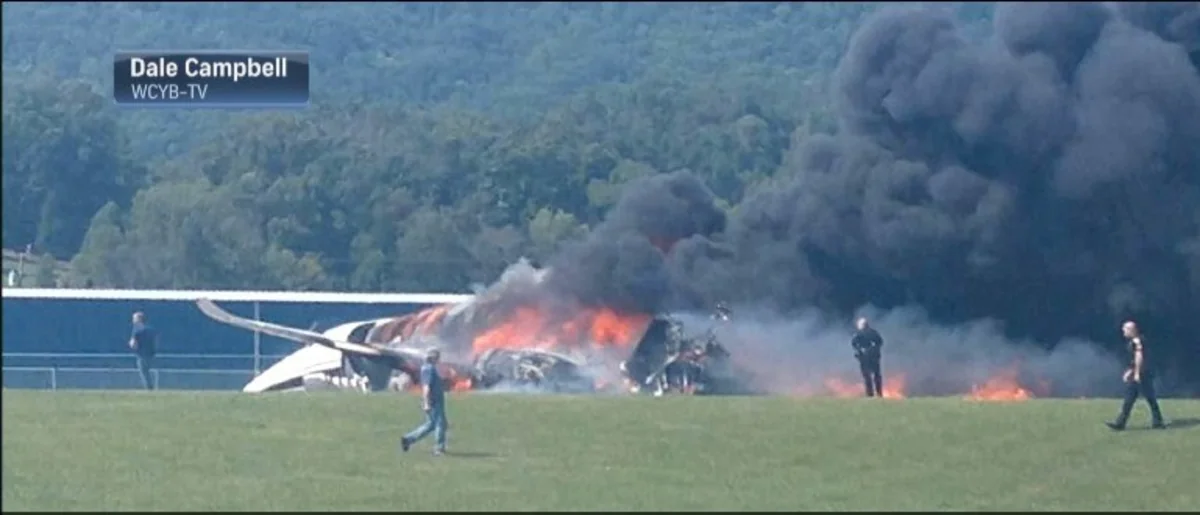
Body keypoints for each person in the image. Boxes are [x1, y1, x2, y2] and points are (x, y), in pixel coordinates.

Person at [1106, 321, 1166, 431]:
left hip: (1142, 375)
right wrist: (1130, 371)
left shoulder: (1137, 341)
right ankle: (1121, 423)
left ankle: (1157, 422)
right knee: (1132, 399)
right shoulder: (1136, 341)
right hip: (1140, 373)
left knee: (1148, 398)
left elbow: (1139, 357)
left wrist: (1137, 373)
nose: (1123, 332)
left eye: (1125, 329)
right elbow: (1134, 359)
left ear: (1131, 330)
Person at [401, 348, 449, 455]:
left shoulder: (428, 368)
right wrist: (426, 402)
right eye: (437, 356)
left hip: (436, 400)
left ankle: (408, 439)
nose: (438, 359)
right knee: (440, 424)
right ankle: (439, 448)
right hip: (434, 401)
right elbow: (426, 387)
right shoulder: (429, 369)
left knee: (431, 425)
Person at [850, 317, 884, 397]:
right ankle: (872, 394)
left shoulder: (871, 333)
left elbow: (879, 342)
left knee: (873, 376)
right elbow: (854, 344)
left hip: (872, 357)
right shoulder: (862, 334)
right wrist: (860, 351)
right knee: (869, 376)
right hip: (866, 358)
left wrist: (871, 349)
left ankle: (876, 393)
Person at [128, 311, 158, 390]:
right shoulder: (151, 330)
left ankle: (149, 388)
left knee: (144, 373)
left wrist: (131, 344)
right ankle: (150, 387)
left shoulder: (136, 330)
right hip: (151, 355)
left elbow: (134, 344)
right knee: (147, 372)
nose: (133, 320)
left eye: (134, 318)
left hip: (141, 355)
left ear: (139, 319)